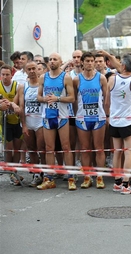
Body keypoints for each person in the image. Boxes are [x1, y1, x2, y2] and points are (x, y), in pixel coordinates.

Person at [36, 53, 76, 190]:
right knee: (49, 148)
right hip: (48, 116)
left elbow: (72, 98)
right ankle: (49, 178)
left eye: (55, 59)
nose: (52, 62)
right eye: (50, 59)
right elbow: (39, 97)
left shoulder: (66, 77)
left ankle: (71, 177)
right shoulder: (43, 77)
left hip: (62, 116)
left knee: (66, 147)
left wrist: (57, 99)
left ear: (60, 62)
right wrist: (45, 99)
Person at [106, 54, 131, 195]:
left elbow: (107, 101)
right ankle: (126, 184)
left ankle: (117, 182)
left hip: (114, 120)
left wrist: (108, 115)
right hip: (127, 121)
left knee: (117, 152)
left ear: (124, 66)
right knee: (128, 153)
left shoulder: (112, 79)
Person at [73, 52, 108, 189]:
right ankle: (87, 177)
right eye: (87, 61)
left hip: (98, 117)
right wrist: (77, 114)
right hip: (82, 118)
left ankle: (99, 177)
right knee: (85, 149)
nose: (89, 63)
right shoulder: (77, 79)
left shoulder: (101, 78)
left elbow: (107, 98)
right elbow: (75, 100)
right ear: (82, 62)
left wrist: (107, 114)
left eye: (92, 61)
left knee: (99, 148)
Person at [17, 61, 45, 187]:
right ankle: (36, 174)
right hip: (29, 121)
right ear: (26, 71)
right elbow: (21, 106)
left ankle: (45, 173)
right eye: (29, 69)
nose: (32, 71)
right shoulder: (23, 86)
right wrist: (24, 124)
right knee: (31, 149)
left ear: (38, 70)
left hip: (41, 121)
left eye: (34, 68)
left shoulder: (43, 84)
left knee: (42, 149)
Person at [0, 64, 23, 185]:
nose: (5, 77)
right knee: (8, 149)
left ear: (11, 75)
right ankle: (10, 173)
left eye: (7, 74)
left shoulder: (17, 86)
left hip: (16, 120)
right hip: (4, 122)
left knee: (17, 148)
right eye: (3, 74)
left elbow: (20, 103)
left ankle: (15, 171)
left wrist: (13, 104)